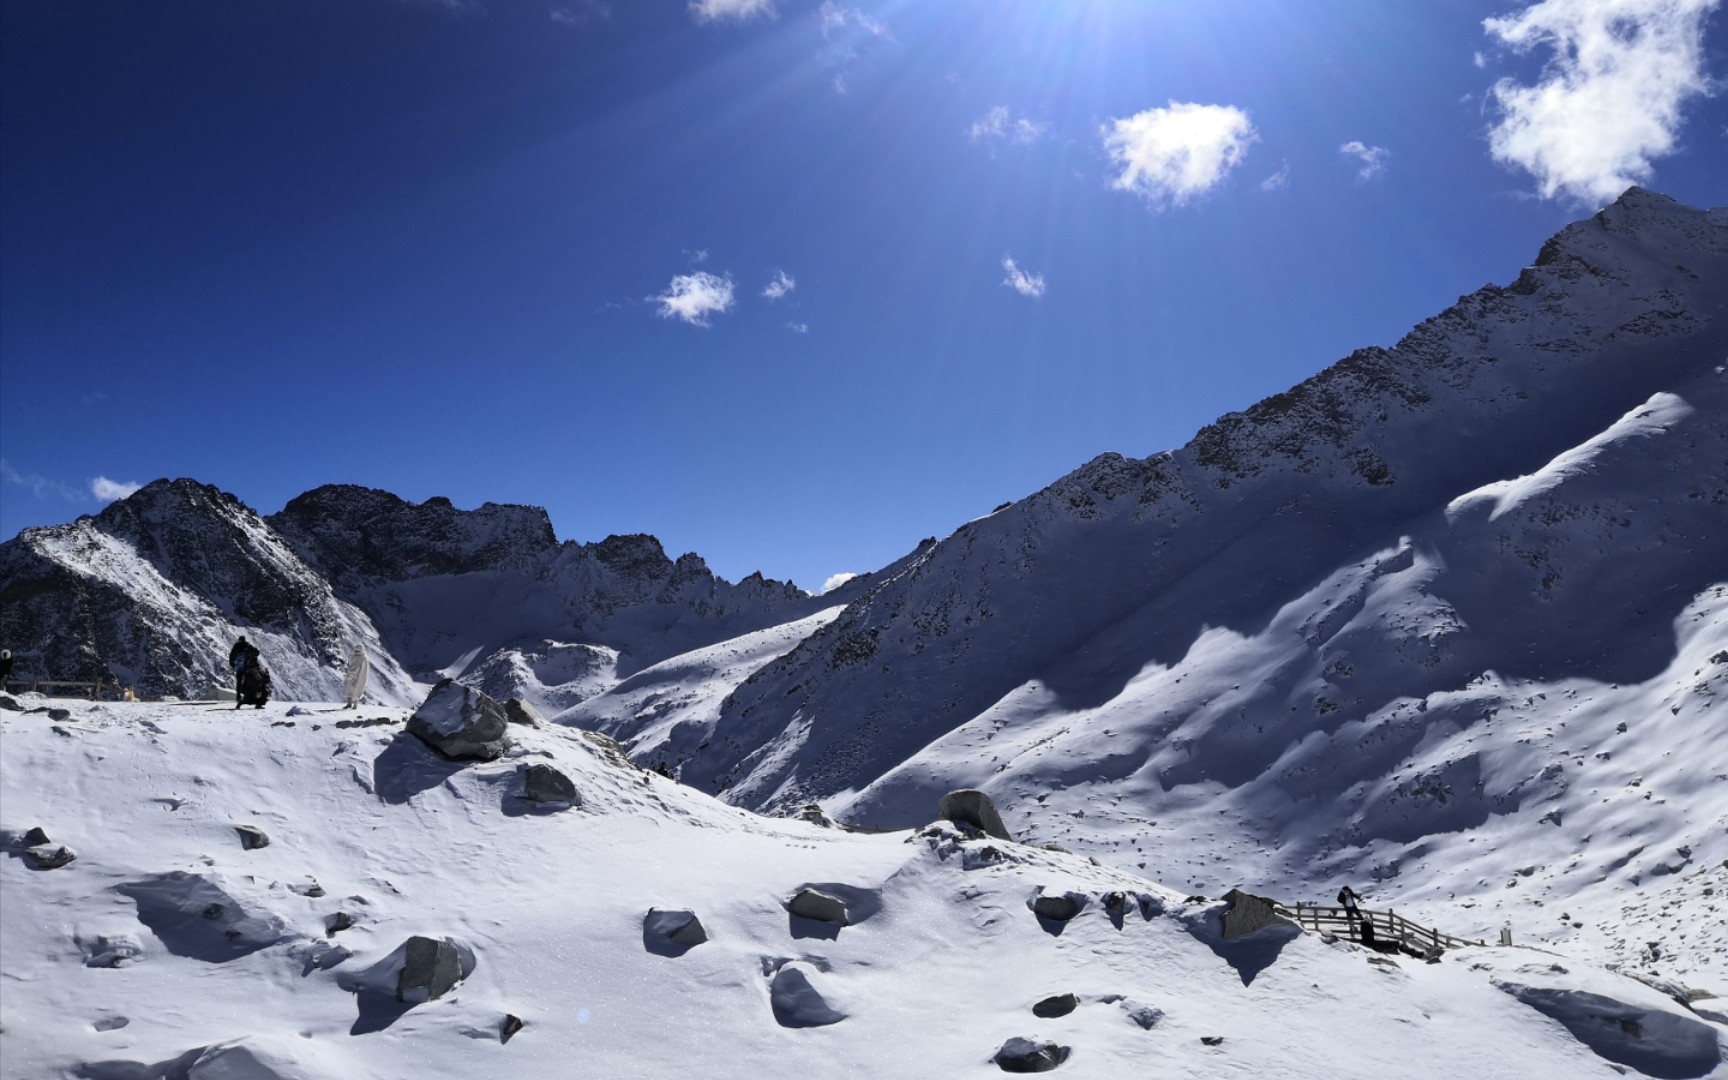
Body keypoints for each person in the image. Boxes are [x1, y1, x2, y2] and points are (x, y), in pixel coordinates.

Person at [229, 636, 261, 707]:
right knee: (248, 682)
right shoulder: (247, 645)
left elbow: (231, 655)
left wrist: (232, 664)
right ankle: (247, 696)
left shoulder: (236, 646)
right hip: (247, 668)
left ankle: (238, 697)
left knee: (239, 682)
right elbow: (256, 652)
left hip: (238, 668)